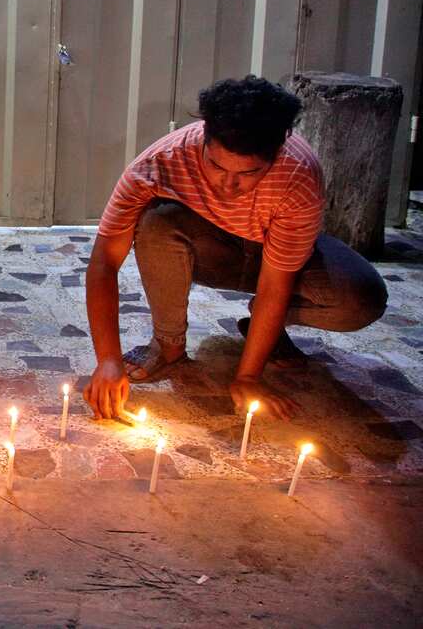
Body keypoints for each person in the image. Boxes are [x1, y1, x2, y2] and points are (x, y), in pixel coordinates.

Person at [83, 76, 387, 420]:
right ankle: (168, 347)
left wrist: (248, 377)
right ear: (205, 137)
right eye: (216, 166)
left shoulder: (297, 173)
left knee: (361, 300)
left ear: (276, 154)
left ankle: (263, 328)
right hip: (213, 251)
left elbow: (276, 281)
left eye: (249, 173)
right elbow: (104, 264)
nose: (228, 184)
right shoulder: (160, 163)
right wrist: (108, 360)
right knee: (157, 222)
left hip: (275, 254)